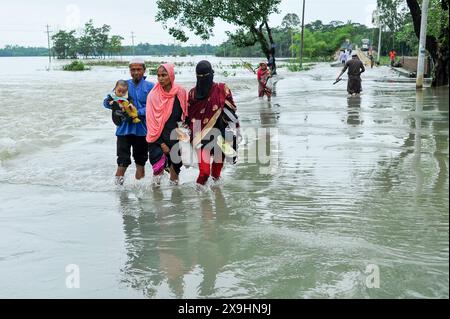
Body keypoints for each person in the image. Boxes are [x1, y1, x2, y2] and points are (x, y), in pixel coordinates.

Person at [187, 60, 240, 187]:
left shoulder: (222, 89)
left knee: (216, 175)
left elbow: (232, 109)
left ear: (212, 74)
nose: (203, 79)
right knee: (204, 173)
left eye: (206, 75)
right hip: (200, 136)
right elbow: (189, 116)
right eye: (200, 76)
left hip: (220, 136)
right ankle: (200, 195)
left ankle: (216, 200)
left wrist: (222, 107)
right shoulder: (192, 94)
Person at [103, 57, 154, 185]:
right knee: (122, 162)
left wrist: (138, 112)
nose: (136, 72)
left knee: (140, 162)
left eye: (138, 69)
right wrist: (113, 104)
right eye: (133, 70)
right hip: (123, 130)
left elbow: (155, 107)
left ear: (144, 70)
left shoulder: (151, 87)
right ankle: (119, 194)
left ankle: (140, 190)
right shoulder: (123, 85)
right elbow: (106, 102)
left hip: (142, 131)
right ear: (129, 71)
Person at [146, 63, 188, 185]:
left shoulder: (180, 93)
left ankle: (175, 202)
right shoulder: (152, 96)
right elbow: (150, 123)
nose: (161, 78)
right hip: (156, 139)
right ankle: (157, 201)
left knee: (175, 173)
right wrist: (162, 144)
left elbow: (185, 117)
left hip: (174, 136)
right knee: (157, 173)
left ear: (171, 75)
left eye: (164, 75)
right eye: (158, 75)